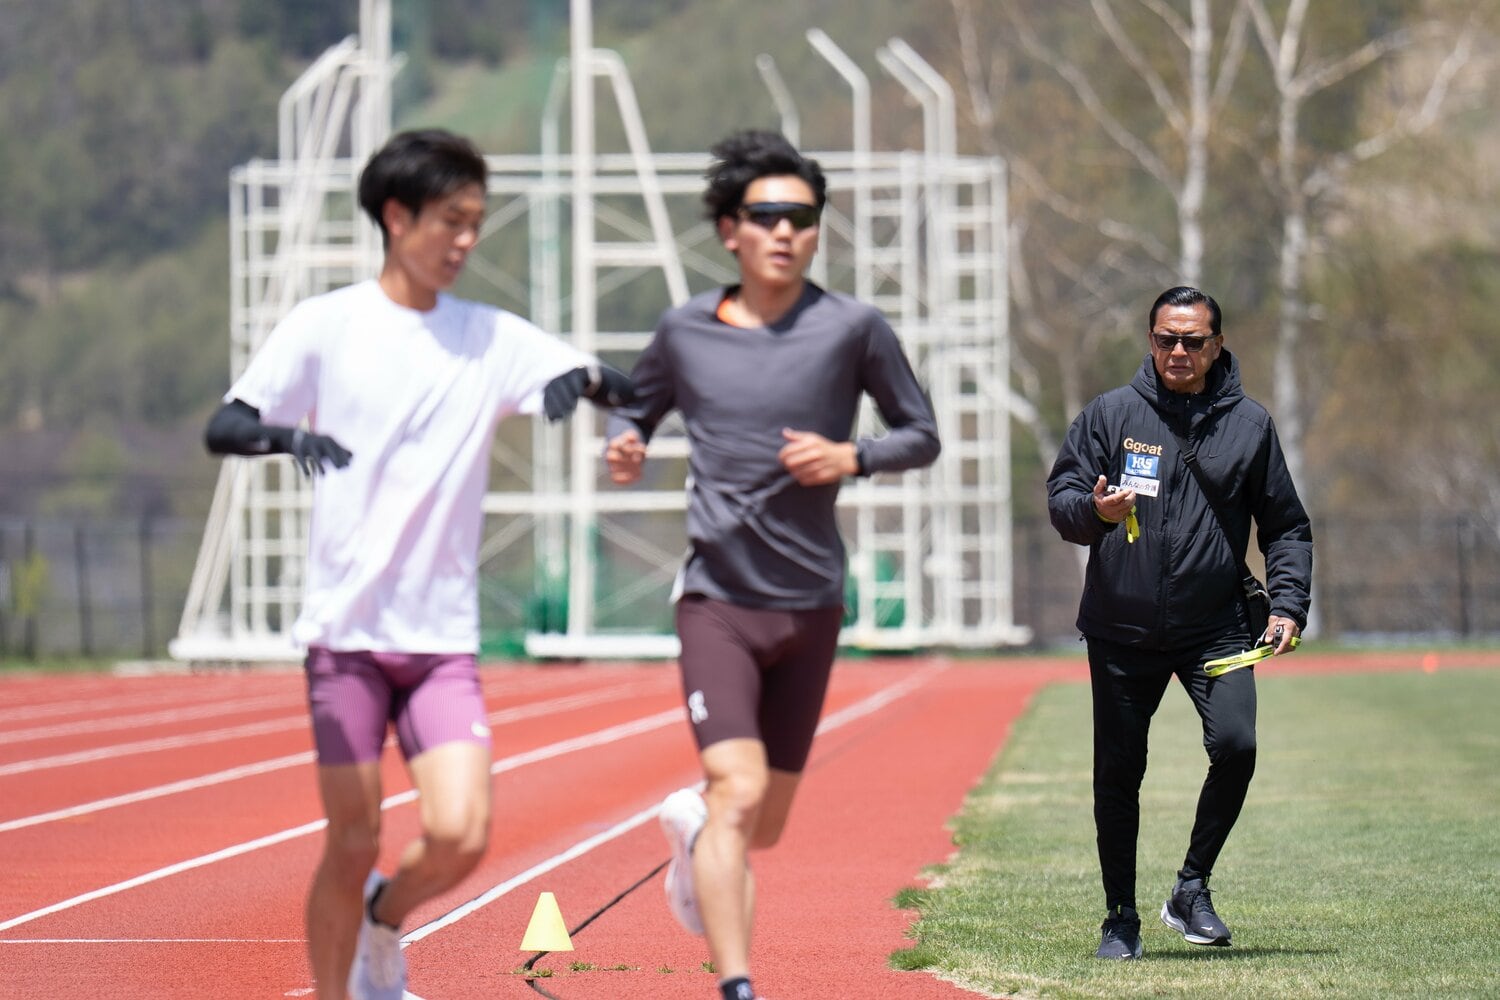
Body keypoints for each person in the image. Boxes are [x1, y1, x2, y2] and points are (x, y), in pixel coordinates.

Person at [202, 128, 632, 1000]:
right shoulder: (326, 326)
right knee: (352, 837)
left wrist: (581, 385)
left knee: (464, 834)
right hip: (348, 636)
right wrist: (287, 435)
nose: (466, 241)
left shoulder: (490, 335)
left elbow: (610, 381)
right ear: (397, 218)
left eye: (476, 223)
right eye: (451, 221)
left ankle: (384, 918)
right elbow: (227, 424)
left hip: (439, 639)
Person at [604, 129, 941, 1000]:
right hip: (717, 597)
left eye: (803, 217)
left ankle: (694, 838)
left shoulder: (852, 328)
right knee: (739, 786)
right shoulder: (684, 332)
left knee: (765, 821)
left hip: (812, 604)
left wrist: (851, 457)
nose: (786, 232)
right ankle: (738, 984)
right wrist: (626, 443)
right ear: (730, 230)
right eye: (767, 217)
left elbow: (921, 434)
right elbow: (633, 412)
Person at [1046, 285, 1313, 960]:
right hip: (1120, 627)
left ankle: (1191, 887)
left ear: (1218, 345)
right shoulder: (1110, 414)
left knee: (1237, 745)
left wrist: (1287, 603)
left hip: (1216, 627)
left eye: (1194, 340)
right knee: (1118, 773)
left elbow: (1286, 526)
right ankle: (1120, 920)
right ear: (1150, 339)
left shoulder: (1250, 426)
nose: (1179, 352)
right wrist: (1095, 514)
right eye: (1166, 338)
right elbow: (1064, 497)